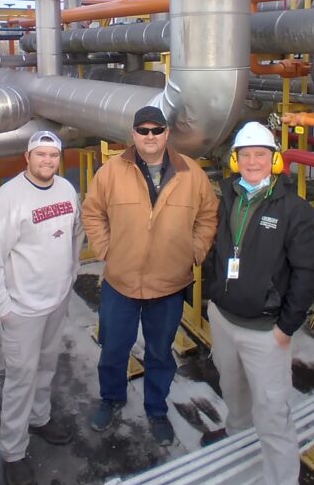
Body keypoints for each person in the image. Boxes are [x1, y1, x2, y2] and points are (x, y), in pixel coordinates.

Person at [82, 105, 218, 446]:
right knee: (113, 347)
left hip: (169, 284)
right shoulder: (112, 171)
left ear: (167, 134)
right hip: (121, 282)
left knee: (160, 352)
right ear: (133, 135)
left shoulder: (191, 174)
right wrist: (107, 251)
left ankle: (156, 408)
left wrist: (194, 252)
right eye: (143, 131)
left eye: (156, 130)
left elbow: (208, 216)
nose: (150, 137)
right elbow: (92, 211)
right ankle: (111, 398)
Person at [202, 121, 314, 485]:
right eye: (246, 155)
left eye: (261, 155)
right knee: (232, 388)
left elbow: (307, 273)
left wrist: (286, 328)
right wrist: (212, 296)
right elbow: (215, 252)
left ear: (274, 161)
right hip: (224, 320)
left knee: (273, 414)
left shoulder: (293, 210)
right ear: (235, 161)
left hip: (266, 332)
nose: (253, 161)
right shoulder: (227, 197)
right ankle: (238, 437)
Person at [0, 130, 85, 485]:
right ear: (27, 157)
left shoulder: (67, 191)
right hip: (21, 309)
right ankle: (13, 451)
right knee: (20, 378)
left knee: (48, 366)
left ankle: (40, 418)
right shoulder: (7, 200)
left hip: (56, 302)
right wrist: (3, 308)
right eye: (41, 155)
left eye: (53, 156)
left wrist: (69, 277)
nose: (47, 162)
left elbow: (75, 234)